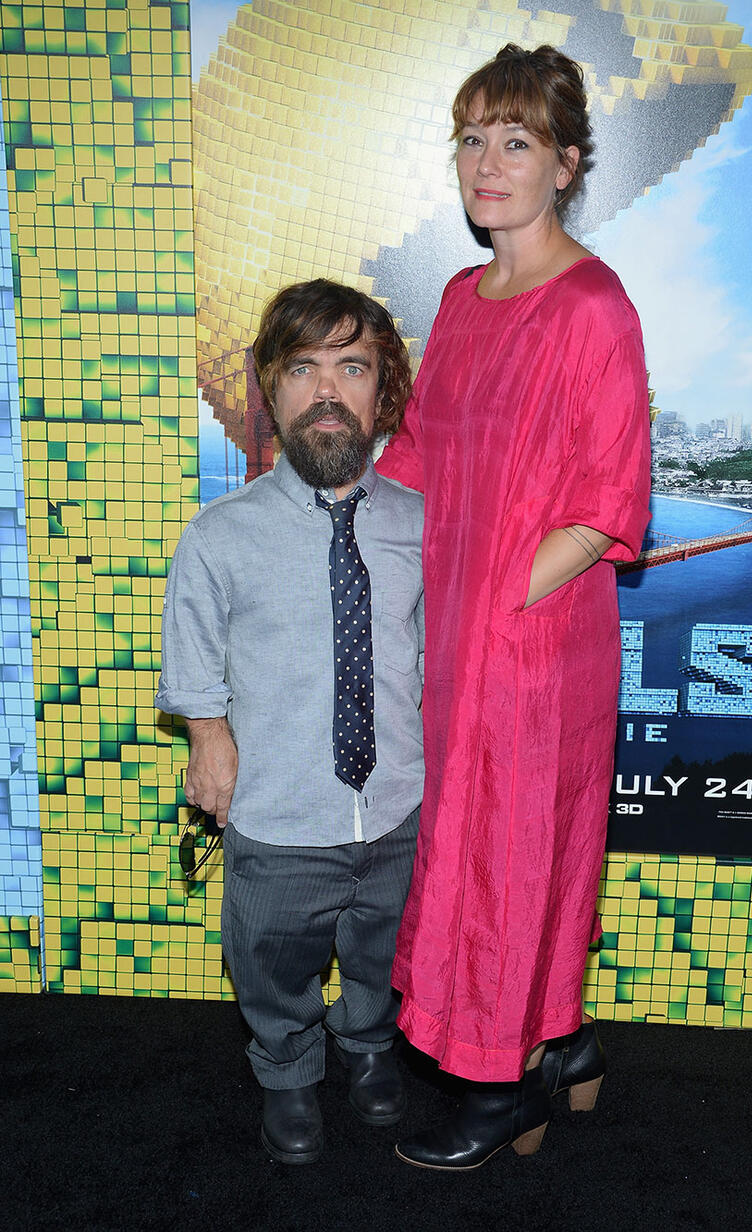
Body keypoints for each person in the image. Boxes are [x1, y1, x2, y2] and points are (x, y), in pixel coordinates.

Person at [375, 43, 652, 1170]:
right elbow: (425, 454)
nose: (487, 164)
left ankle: (499, 1086)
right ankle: (568, 1042)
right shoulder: (457, 294)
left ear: (568, 165)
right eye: (473, 140)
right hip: (458, 641)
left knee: (515, 854)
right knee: (472, 847)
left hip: (535, 652)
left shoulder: (594, 307)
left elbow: (606, 503)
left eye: (517, 142)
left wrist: (488, 607)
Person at [156, 280, 424, 1165]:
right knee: (270, 963)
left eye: (352, 366)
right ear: (269, 385)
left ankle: (370, 1047)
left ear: (381, 387)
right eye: (303, 367)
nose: (326, 390)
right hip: (276, 811)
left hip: (396, 805)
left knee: (385, 955)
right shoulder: (220, 535)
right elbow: (193, 655)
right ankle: (288, 1071)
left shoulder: (423, 527)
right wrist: (207, 738)